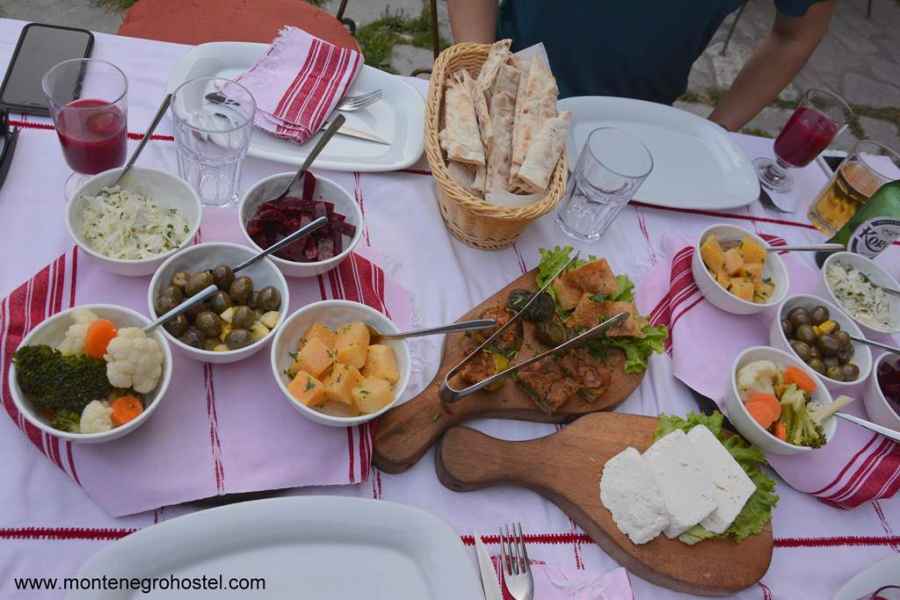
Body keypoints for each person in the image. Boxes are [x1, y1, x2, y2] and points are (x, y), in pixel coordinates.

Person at [447, 1, 834, 132]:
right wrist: (483, 76)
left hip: (639, 130)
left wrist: (715, 132)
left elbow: (796, 34)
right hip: (505, 92)